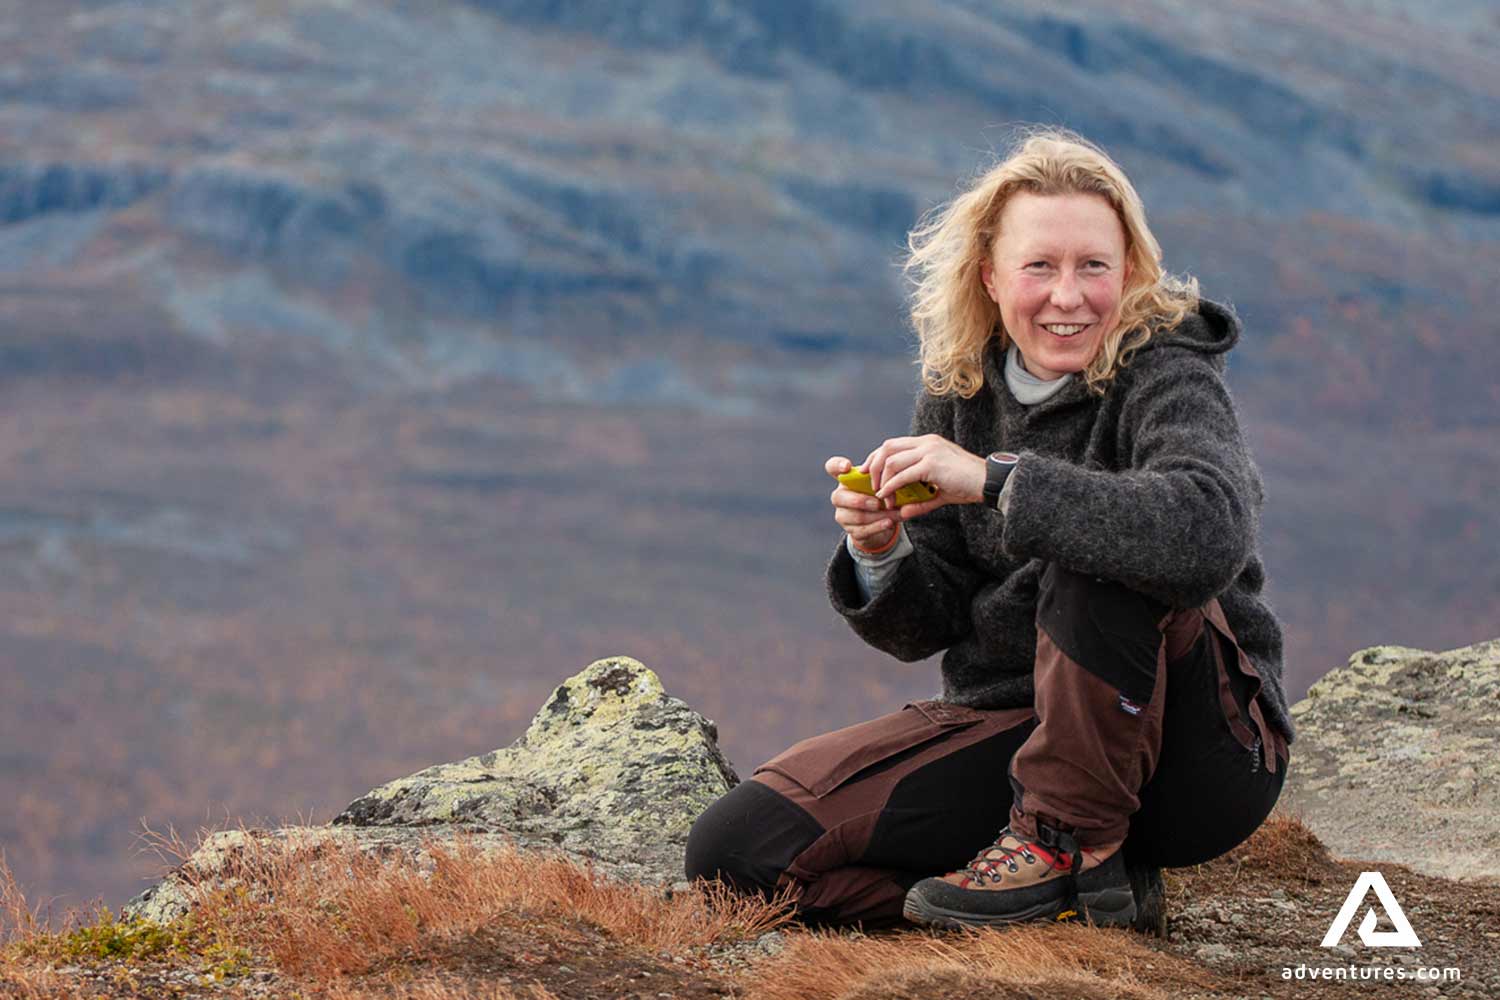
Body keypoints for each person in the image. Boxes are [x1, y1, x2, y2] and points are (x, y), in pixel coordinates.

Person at [684, 129, 1292, 931]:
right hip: (1018, 726)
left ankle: (1065, 848)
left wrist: (998, 482)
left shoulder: (1165, 370)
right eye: (1040, 266)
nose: (1068, 297)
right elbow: (926, 627)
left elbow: (1210, 533)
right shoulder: (961, 387)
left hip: (1197, 750)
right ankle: (1062, 906)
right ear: (991, 276)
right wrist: (881, 550)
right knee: (738, 853)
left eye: (1094, 267)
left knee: (1093, 543)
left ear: (1132, 273)